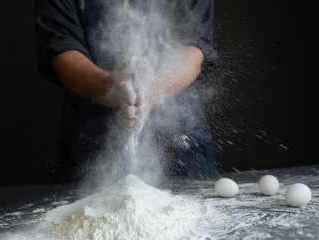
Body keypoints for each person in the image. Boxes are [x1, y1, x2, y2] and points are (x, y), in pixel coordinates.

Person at [34, 0, 218, 183]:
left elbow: (196, 44)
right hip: (88, 126)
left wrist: (154, 89)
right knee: (87, 209)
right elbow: (60, 45)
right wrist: (108, 87)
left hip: (181, 137)